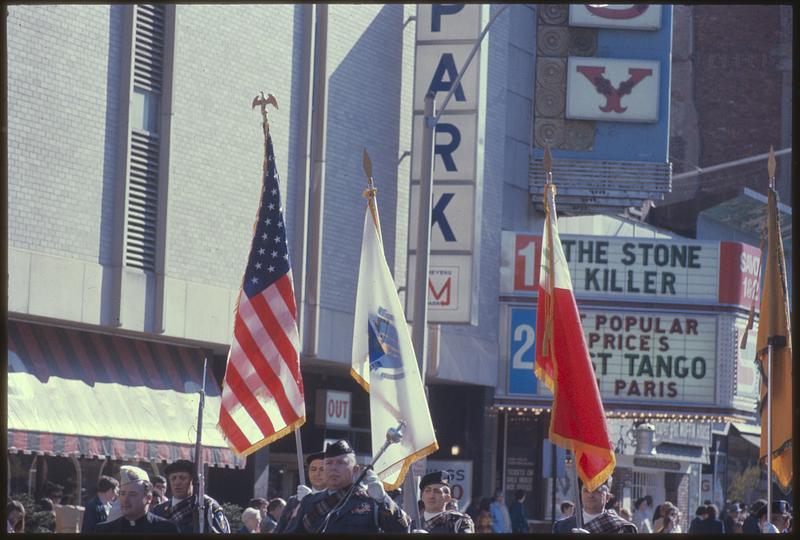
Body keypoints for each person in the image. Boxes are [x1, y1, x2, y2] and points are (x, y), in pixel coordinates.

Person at [285, 439, 410, 533]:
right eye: (328, 463)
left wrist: (383, 500)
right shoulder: (309, 502)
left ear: (355, 470)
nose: (333, 468)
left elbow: (402, 529)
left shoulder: (371, 501)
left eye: (340, 463)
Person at [149, 459, 230, 533]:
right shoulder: (158, 511)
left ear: (192, 481)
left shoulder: (207, 507)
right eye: (173, 478)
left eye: (182, 478)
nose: (177, 482)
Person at [94, 466, 179, 534]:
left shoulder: (166, 529)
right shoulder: (104, 530)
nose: (125, 500)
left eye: (132, 494)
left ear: (148, 498)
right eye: (122, 494)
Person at [552, 479, 637, 534]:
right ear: (581, 495)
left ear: (607, 497)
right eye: (586, 490)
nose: (590, 495)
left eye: (597, 490)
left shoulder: (623, 528)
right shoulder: (561, 526)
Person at [274, 450, 327, 533]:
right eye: (313, 469)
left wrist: (310, 500)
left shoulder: (335, 499)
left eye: (322, 469)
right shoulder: (293, 501)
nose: (317, 473)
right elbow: (280, 530)